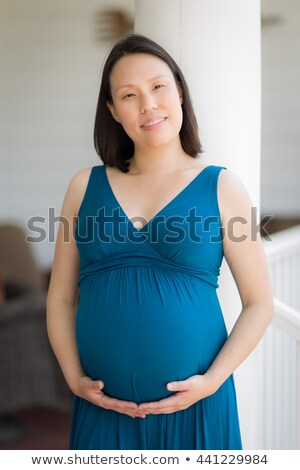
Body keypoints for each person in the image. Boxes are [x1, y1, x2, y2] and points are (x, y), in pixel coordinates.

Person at [46, 33, 274, 450]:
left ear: (180, 92)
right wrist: (74, 379)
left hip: (198, 408)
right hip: (103, 409)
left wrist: (211, 382)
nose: (148, 105)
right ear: (113, 110)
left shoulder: (223, 187)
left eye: (158, 87)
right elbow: (59, 297)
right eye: (128, 95)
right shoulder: (83, 187)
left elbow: (260, 302)